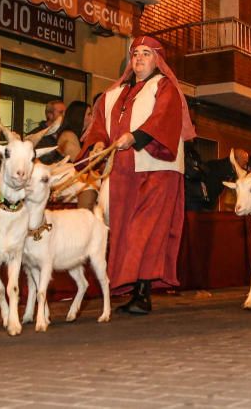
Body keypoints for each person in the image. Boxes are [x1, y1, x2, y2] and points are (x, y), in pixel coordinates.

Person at [83, 36, 195, 315]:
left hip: (158, 169)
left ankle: (143, 292)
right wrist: (98, 143)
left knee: (145, 231)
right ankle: (134, 288)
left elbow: (163, 119)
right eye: (135, 54)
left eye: (146, 53)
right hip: (123, 172)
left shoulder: (165, 87)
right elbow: (98, 126)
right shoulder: (112, 95)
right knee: (124, 231)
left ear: (158, 60)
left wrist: (135, 137)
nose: (139, 58)